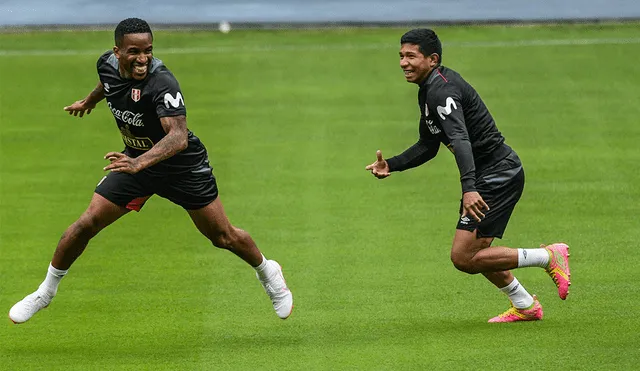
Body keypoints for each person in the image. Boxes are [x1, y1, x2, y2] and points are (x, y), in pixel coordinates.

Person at [9, 18, 293, 324]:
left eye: (148, 50)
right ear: (116, 52)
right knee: (86, 224)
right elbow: (109, 83)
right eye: (134, 51)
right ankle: (45, 292)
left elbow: (178, 137)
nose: (143, 58)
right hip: (136, 164)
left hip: (182, 168)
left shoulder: (162, 82)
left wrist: (137, 163)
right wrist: (90, 101)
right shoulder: (105, 64)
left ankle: (267, 271)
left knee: (222, 236)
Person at [365, 28, 570, 322]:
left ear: (432, 59)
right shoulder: (429, 89)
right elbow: (428, 144)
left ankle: (549, 257)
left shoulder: (441, 90)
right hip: (491, 174)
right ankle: (525, 305)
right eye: (401, 56)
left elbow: (460, 139)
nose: (403, 63)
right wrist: (393, 164)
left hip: (497, 175)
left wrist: (470, 187)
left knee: (463, 257)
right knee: (477, 252)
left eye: (411, 56)